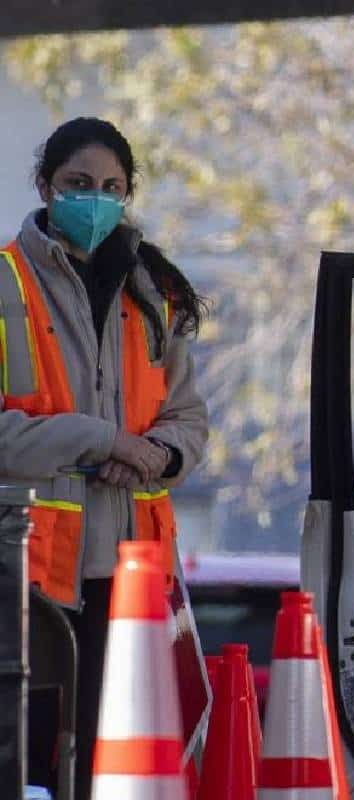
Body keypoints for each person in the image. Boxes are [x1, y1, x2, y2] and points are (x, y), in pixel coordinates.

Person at [0, 117, 208, 799]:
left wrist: (156, 455)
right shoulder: (6, 287)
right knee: (29, 773)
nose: (95, 200)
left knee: (111, 775)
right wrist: (100, 439)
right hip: (27, 585)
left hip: (129, 579)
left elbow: (188, 422)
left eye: (112, 188)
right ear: (44, 186)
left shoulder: (156, 291)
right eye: (78, 185)